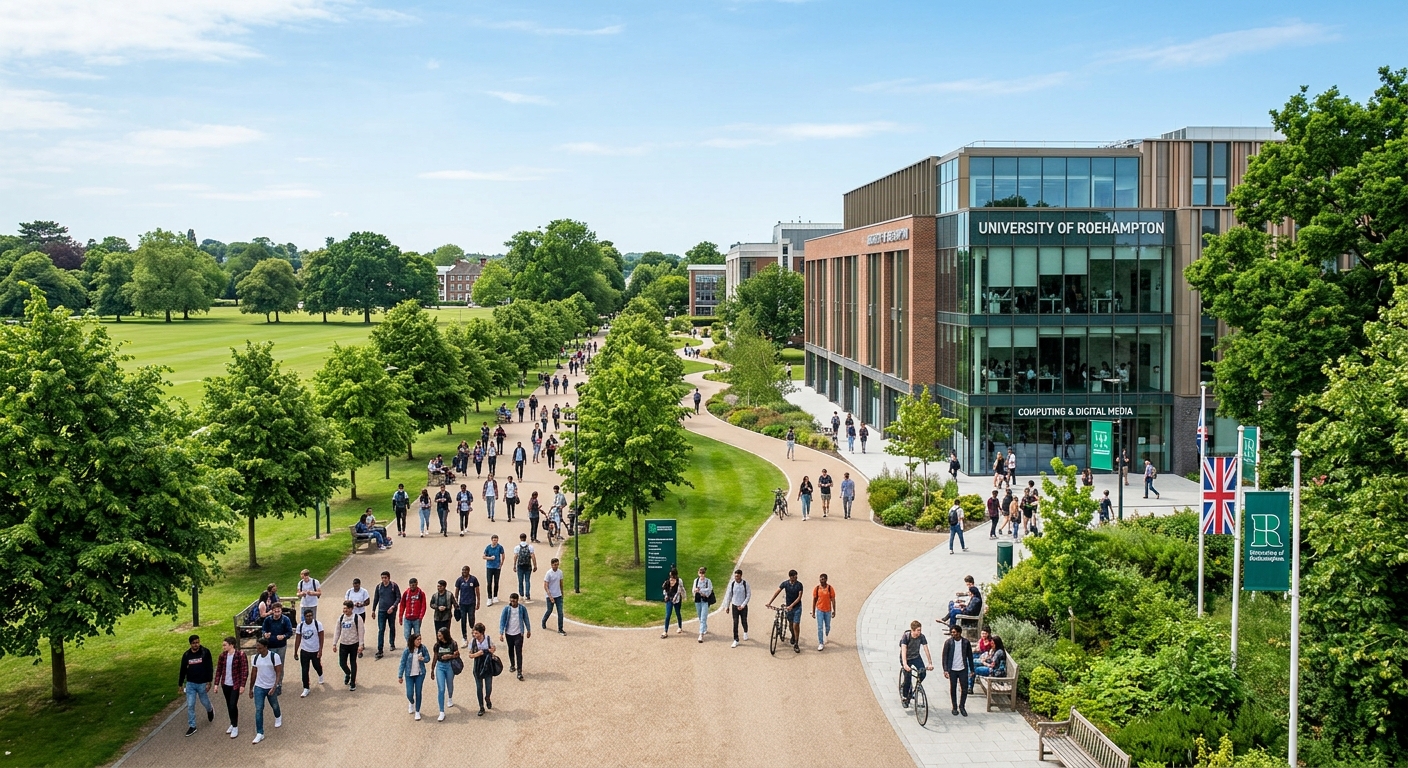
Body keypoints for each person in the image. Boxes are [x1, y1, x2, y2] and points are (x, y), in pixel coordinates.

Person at [246, 638, 282, 744]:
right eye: (257, 647)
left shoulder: (274, 657)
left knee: (274, 705)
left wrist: (275, 686)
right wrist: (251, 688)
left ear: (266, 647)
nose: (258, 650)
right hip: (259, 686)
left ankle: (278, 716)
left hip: (271, 686)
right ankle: (260, 733)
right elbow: (254, 673)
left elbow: (278, 672)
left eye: (260, 648)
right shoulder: (255, 658)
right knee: (259, 709)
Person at [178, 634, 215, 736]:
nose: (196, 645)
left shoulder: (205, 652)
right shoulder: (186, 655)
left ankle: (210, 709)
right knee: (190, 705)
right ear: (190, 644)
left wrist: (209, 681)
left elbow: (209, 667)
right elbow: (183, 670)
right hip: (191, 684)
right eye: (194, 643)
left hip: (202, 683)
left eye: (197, 642)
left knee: (205, 702)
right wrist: (180, 684)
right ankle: (192, 726)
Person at [215, 636, 247, 739]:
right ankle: (232, 723)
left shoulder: (240, 655)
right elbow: (219, 670)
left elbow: (244, 671)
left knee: (233, 704)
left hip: (235, 684)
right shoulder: (222, 656)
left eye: (225, 645)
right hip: (225, 684)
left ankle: (235, 726)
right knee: (229, 705)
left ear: (231, 645)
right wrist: (216, 684)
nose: (223, 647)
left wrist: (242, 685)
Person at [941, 624, 976, 716]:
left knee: (964, 689)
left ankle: (962, 706)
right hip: (952, 669)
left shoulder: (966, 643)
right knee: (953, 688)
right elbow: (944, 657)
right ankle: (954, 707)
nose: (952, 634)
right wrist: (945, 670)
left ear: (959, 633)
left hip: (962, 669)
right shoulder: (948, 643)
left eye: (954, 632)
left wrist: (972, 669)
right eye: (951, 632)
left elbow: (970, 657)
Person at [767, 570, 805, 653]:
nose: (796, 578)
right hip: (788, 607)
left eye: (796, 576)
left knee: (796, 625)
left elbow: (799, 597)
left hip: (797, 607)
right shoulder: (785, 584)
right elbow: (777, 592)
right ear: (790, 577)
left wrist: (792, 606)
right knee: (791, 625)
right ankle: (793, 635)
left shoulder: (799, 585)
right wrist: (770, 602)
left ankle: (796, 643)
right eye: (794, 576)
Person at [899, 620, 933, 708]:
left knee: (923, 673)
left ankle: (916, 688)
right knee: (907, 678)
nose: (919, 632)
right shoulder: (906, 636)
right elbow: (903, 650)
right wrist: (905, 664)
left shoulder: (921, 637)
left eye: (920, 630)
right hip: (906, 658)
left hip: (916, 656)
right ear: (912, 630)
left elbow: (926, 649)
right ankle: (905, 697)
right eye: (918, 630)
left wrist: (930, 663)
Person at [292, 608, 324, 697]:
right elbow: (298, 638)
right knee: (304, 670)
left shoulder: (318, 624)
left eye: (310, 616)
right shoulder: (301, 626)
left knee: (316, 665)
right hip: (305, 651)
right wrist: (295, 651)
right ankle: (306, 688)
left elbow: (321, 637)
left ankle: (320, 674)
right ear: (304, 617)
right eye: (307, 616)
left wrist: (320, 650)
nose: (309, 618)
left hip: (315, 650)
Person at [429, 627, 459, 721]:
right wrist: (432, 669)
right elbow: (435, 657)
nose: (439, 637)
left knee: (449, 685)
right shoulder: (437, 645)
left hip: (449, 665)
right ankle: (441, 711)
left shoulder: (453, 643)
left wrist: (449, 656)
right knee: (441, 689)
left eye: (440, 635)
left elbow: (457, 654)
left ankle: (450, 697)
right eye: (438, 635)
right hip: (440, 666)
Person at [333, 600, 365, 690]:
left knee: (353, 662)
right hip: (343, 644)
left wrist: (361, 645)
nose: (344, 610)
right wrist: (334, 643)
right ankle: (348, 673)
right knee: (342, 663)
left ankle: (353, 682)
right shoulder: (340, 618)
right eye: (344, 608)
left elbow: (361, 632)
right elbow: (337, 631)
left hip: (353, 644)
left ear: (351, 609)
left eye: (346, 608)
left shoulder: (357, 618)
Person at [398, 633, 430, 721]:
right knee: (409, 693)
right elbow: (402, 663)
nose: (419, 641)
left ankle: (417, 711)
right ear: (413, 640)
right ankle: (411, 702)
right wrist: (400, 675)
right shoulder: (407, 651)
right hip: (409, 675)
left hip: (420, 674)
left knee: (418, 692)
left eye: (420, 639)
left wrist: (423, 658)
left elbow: (428, 658)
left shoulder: (423, 648)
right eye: (417, 639)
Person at [499, 593, 530, 680]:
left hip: (518, 634)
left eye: (514, 601)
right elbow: (502, 621)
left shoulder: (522, 609)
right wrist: (501, 633)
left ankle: (519, 671)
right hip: (509, 633)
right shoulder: (506, 609)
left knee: (519, 652)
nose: (512, 603)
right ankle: (512, 664)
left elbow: (526, 619)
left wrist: (528, 630)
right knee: (510, 650)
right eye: (511, 601)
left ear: (517, 600)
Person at [468, 623, 496, 716]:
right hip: (478, 666)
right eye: (474, 633)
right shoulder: (473, 642)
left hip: (487, 665)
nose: (474, 635)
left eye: (476, 633)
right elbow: (470, 655)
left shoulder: (487, 639)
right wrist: (478, 654)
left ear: (481, 633)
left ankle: (487, 697)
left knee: (488, 686)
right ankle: (481, 707)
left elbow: (493, 648)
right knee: (479, 687)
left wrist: (490, 651)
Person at [372, 571, 401, 659]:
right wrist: (373, 610)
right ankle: (380, 648)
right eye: (382, 578)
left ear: (389, 577)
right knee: (381, 629)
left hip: (391, 611)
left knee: (391, 627)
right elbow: (376, 598)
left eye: (385, 578)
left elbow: (398, 597)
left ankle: (392, 643)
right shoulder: (379, 587)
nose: (384, 579)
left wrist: (393, 606)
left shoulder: (393, 586)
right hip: (381, 611)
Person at [724, 569, 750, 648]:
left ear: (741, 576)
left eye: (737, 576)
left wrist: (743, 605)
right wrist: (727, 606)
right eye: (735, 576)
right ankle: (736, 639)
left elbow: (748, 595)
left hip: (743, 606)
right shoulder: (732, 584)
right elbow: (729, 595)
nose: (736, 578)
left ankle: (745, 631)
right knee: (735, 623)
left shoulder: (745, 584)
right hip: (735, 606)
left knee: (744, 621)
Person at [455, 566, 481, 644]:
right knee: (463, 620)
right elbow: (456, 592)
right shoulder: (459, 580)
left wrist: (478, 602)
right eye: (463, 570)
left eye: (465, 570)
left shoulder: (473, 579)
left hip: (471, 603)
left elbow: (477, 591)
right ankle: (464, 637)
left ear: (468, 571)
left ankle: (474, 634)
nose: (464, 572)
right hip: (462, 604)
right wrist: (456, 602)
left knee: (471, 619)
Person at [811, 574, 836, 652]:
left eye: (823, 579)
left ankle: (826, 635)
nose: (821, 580)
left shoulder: (830, 588)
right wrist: (813, 611)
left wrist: (834, 610)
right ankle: (821, 642)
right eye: (820, 579)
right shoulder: (817, 588)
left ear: (826, 580)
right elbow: (814, 600)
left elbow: (833, 600)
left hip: (828, 610)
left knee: (828, 626)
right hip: (820, 610)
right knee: (820, 627)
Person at [542, 558, 566, 635]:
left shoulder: (560, 572)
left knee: (560, 612)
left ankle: (560, 628)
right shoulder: (549, 573)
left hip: (558, 595)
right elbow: (546, 586)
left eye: (557, 564)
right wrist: (550, 596)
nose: (556, 566)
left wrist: (562, 592)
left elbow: (561, 583)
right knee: (549, 610)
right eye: (555, 565)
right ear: (552, 565)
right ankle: (544, 621)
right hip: (550, 595)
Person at [512, 533, 537, 600]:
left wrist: (514, 565)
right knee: (527, 580)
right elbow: (533, 556)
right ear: (526, 538)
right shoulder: (530, 547)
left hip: (520, 566)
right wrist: (535, 565)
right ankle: (527, 594)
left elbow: (515, 557)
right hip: (528, 565)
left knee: (520, 581)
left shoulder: (517, 547)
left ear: (520, 538)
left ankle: (521, 593)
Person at [692, 566, 713, 643]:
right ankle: (704, 628)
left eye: (703, 573)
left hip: (705, 601)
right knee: (700, 616)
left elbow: (709, 590)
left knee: (703, 617)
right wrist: (696, 590)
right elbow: (693, 590)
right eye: (700, 573)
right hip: (698, 600)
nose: (702, 574)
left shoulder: (708, 581)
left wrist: (701, 591)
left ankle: (700, 634)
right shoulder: (696, 581)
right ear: (698, 573)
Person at [661, 569, 685, 638]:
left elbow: (680, 590)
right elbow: (665, 590)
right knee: (668, 615)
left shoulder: (679, 581)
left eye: (671, 575)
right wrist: (666, 596)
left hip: (676, 600)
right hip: (669, 599)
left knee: (678, 613)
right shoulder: (667, 582)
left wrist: (683, 596)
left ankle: (680, 627)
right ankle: (665, 631)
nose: (670, 577)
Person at [483, 535, 505, 604]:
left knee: (496, 582)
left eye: (496, 540)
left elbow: (503, 555)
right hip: (489, 567)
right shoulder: (488, 547)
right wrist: (490, 558)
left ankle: (495, 596)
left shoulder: (500, 547)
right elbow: (483, 556)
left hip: (497, 567)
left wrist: (501, 564)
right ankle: (489, 597)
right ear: (491, 540)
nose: (495, 541)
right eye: (494, 540)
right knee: (489, 582)